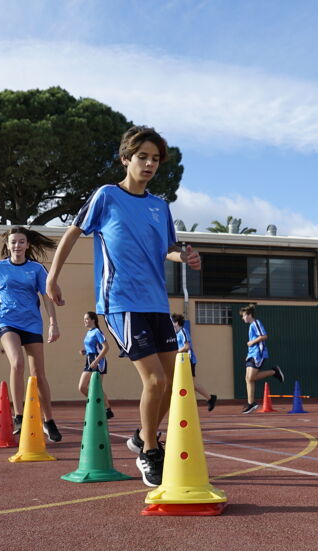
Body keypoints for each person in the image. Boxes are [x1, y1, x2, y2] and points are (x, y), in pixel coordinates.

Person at [45, 125, 201, 487]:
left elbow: (169, 248)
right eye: (142, 157)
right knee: (156, 379)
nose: (149, 164)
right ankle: (149, 450)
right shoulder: (106, 196)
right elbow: (73, 232)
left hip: (156, 304)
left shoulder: (159, 206)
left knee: (173, 382)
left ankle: (140, 436)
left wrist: (186, 256)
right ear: (126, 159)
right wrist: (52, 276)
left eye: (156, 159)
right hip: (120, 302)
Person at [0, 227, 62, 442]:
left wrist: (53, 323)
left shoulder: (36, 269)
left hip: (32, 323)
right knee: (17, 363)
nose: (17, 246)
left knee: (38, 373)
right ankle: (18, 415)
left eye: (21, 242)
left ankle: (49, 420)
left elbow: (46, 297)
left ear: (28, 245)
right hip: (7, 321)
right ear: (8, 245)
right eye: (13, 242)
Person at [239, 304, 284, 414]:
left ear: (250, 315)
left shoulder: (256, 323)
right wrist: (248, 353)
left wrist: (251, 343)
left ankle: (274, 371)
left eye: (244, 315)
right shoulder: (251, 326)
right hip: (252, 354)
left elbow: (264, 336)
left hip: (258, 354)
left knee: (251, 378)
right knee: (248, 378)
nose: (243, 318)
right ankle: (251, 403)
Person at [171, 313, 217, 411]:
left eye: (172, 322)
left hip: (188, 360)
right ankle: (207, 398)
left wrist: (176, 352)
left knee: (191, 383)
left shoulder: (183, 331)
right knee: (185, 383)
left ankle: (210, 398)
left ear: (176, 323)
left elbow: (187, 346)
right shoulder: (176, 334)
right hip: (181, 362)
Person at [79, 311, 114, 419]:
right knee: (82, 387)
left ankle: (108, 409)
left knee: (97, 387)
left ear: (93, 320)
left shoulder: (97, 332)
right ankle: (99, 405)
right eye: (84, 319)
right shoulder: (89, 332)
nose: (85, 321)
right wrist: (85, 351)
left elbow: (106, 347)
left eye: (86, 319)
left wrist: (96, 361)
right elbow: (92, 346)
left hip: (98, 361)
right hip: (89, 359)